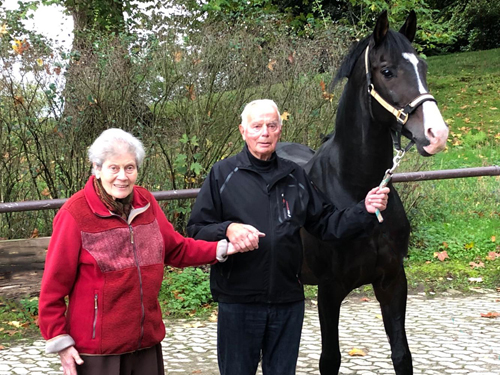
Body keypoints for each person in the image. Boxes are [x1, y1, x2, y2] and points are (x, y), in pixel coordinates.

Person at [187, 99, 390, 375]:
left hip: (287, 302)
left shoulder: (295, 176)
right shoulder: (223, 174)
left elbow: (327, 223)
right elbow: (197, 229)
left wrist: (363, 210)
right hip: (239, 303)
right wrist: (228, 229)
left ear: (280, 130)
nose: (265, 133)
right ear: (243, 131)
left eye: (271, 125)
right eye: (257, 126)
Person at [38, 128, 250, 375]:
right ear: (96, 169)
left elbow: (177, 250)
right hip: (97, 351)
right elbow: (53, 286)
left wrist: (223, 247)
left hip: (145, 343)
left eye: (129, 167)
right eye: (113, 168)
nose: (122, 177)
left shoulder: (145, 202)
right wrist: (60, 341)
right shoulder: (75, 214)